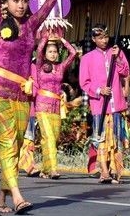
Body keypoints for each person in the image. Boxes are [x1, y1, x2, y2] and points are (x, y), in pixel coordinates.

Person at [0, 0, 56, 215]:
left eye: (25, 0)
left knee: (14, 145)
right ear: (6, 4)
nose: (22, 4)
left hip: (22, 94)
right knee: (6, 141)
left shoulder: (32, 24)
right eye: (16, 0)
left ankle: (1, 198)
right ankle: (17, 195)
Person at [79, 24, 130, 184]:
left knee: (116, 140)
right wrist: (99, 90)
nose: (104, 40)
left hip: (117, 105)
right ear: (94, 39)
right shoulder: (87, 58)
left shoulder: (116, 53)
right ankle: (105, 171)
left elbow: (125, 72)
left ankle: (116, 171)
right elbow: (84, 83)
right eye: (100, 37)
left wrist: (119, 56)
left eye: (106, 37)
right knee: (101, 140)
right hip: (100, 106)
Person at [33, 36, 77, 179]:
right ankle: (52, 169)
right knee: (49, 137)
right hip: (42, 104)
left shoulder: (60, 67)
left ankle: (45, 169)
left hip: (56, 106)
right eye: (50, 51)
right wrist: (46, 37)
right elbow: (39, 49)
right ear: (45, 54)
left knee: (54, 138)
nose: (53, 54)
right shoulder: (40, 65)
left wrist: (62, 40)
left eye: (55, 51)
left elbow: (73, 53)